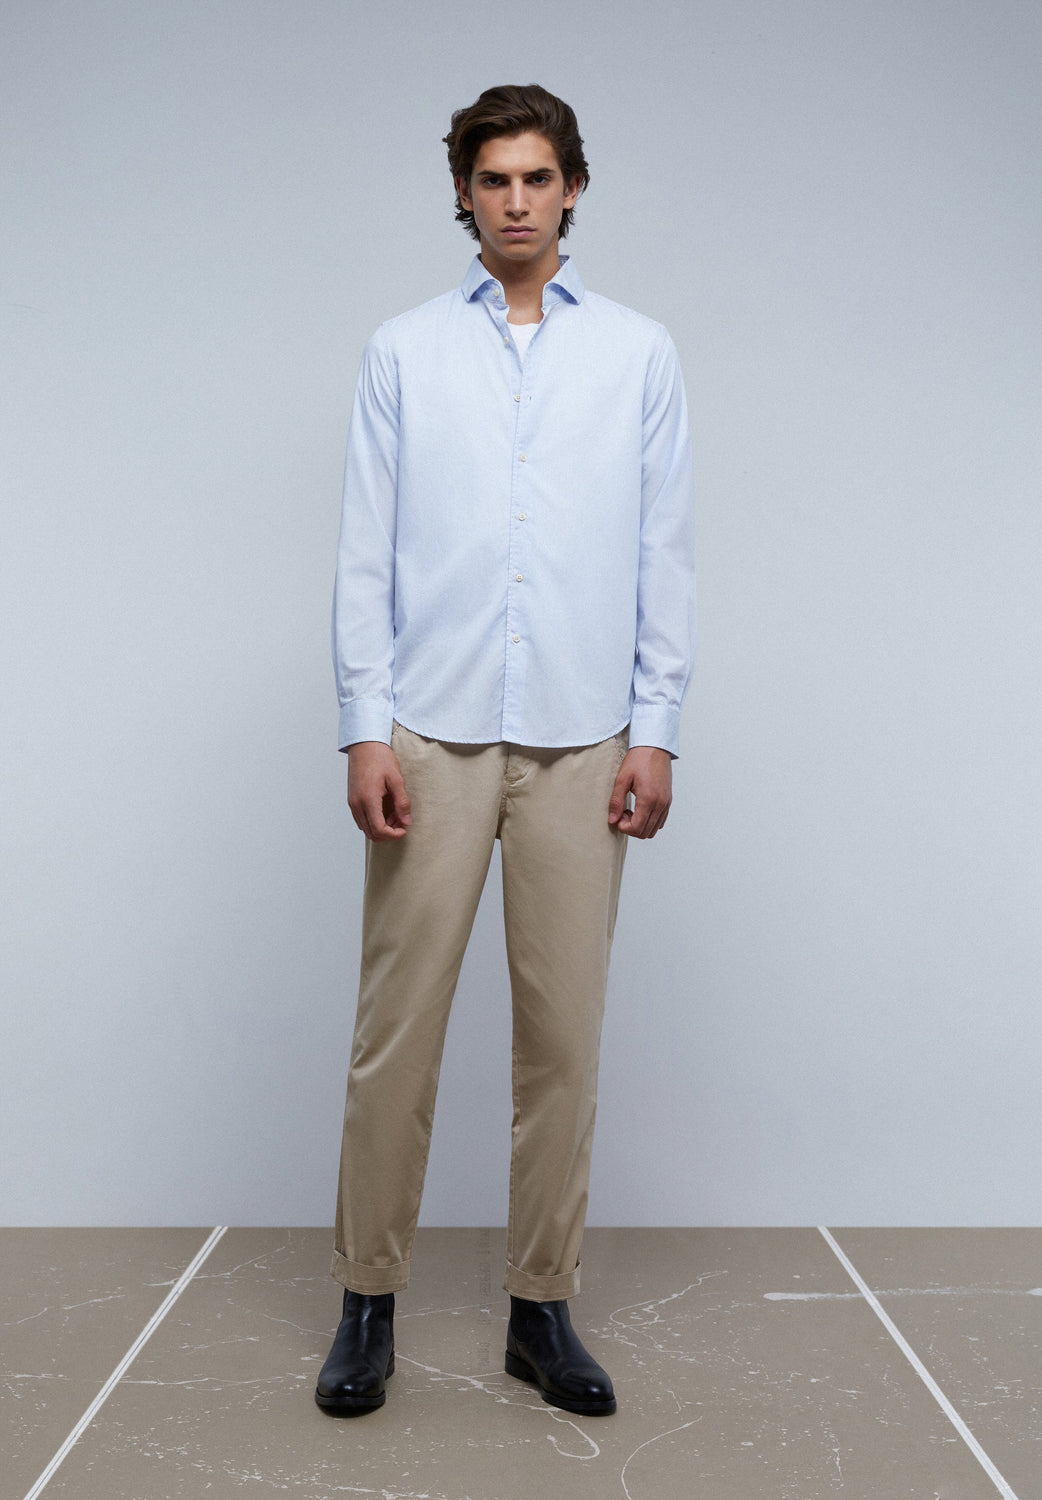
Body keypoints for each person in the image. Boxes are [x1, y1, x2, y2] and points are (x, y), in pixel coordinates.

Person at [316, 83, 696, 1419]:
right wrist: (365, 725)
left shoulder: (638, 353)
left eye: (539, 178)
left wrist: (657, 727)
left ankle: (542, 1308)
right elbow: (365, 553)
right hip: (431, 729)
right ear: (465, 195)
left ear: (572, 188)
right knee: (396, 1036)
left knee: (564, 1042)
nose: (517, 201)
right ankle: (367, 1300)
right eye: (494, 180)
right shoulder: (404, 351)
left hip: (585, 738)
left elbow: (662, 550)